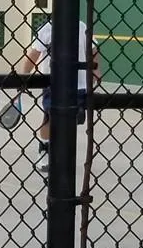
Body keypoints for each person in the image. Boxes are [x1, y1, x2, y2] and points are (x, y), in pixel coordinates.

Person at [19, 18, 100, 172]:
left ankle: (62, 154)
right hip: (53, 84)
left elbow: (93, 49)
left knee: (72, 118)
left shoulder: (82, 26)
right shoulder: (47, 28)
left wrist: (96, 71)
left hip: (79, 84)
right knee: (50, 118)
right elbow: (34, 53)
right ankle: (44, 150)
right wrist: (24, 76)